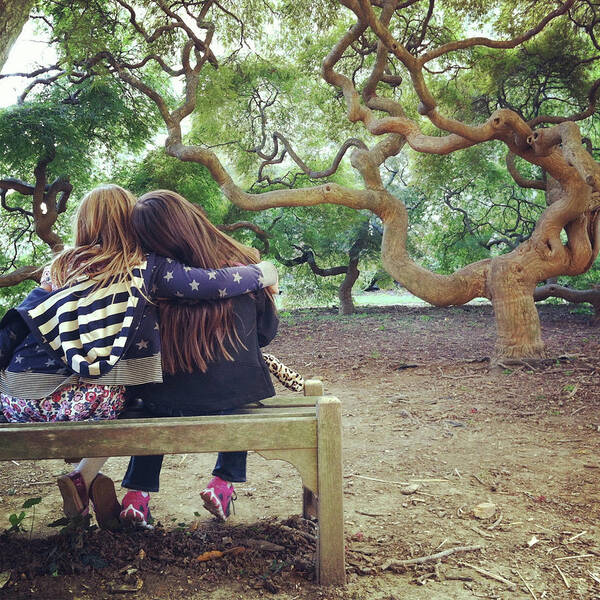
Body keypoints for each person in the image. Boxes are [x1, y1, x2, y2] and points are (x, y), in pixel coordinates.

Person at [0, 184, 278, 527]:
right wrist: (263, 272)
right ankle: (92, 479)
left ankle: (93, 482)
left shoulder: (57, 268)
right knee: (129, 384)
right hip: (87, 402)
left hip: (17, 398)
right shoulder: (145, 268)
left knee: (136, 392)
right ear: (131, 224)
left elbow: (20, 318)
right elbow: (210, 283)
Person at [118, 190, 280, 527]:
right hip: (229, 397)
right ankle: (222, 483)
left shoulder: (143, 280)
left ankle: (136, 496)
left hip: (162, 398)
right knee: (242, 400)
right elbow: (265, 334)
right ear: (189, 219)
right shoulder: (241, 269)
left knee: (150, 409)